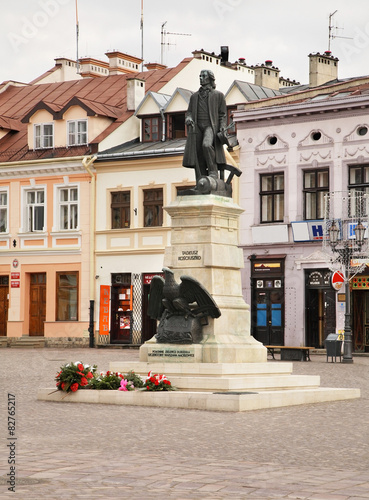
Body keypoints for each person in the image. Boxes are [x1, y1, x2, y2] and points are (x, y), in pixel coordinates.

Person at [183, 69, 227, 182]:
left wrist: (222, 127)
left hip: (210, 126)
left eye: (203, 76)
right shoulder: (194, 97)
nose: (201, 78)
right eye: (200, 76)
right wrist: (188, 118)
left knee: (206, 145)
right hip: (197, 126)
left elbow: (223, 114)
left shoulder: (219, 95)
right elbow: (189, 112)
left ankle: (213, 171)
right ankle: (201, 175)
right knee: (198, 151)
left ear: (210, 79)